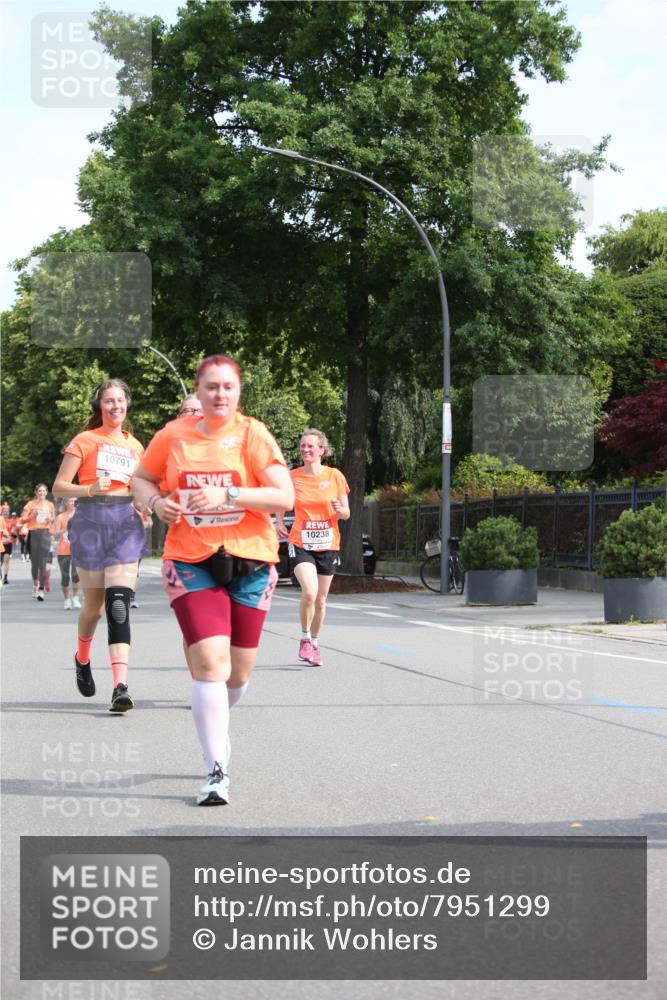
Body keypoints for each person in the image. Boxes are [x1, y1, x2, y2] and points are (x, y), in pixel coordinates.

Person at [132, 354, 294, 806]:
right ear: (198, 393)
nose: (219, 395)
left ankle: (218, 723)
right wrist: (155, 504)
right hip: (190, 559)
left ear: (238, 392)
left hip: (251, 560)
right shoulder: (173, 436)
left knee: (237, 674)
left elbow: (284, 494)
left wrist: (230, 493)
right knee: (208, 663)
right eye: (211, 387)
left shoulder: (253, 434)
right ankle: (215, 769)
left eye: (227, 387)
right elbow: (141, 480)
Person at [52, 379, 146, 712]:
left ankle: (120, 686)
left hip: (124, 525)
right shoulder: (85, 440)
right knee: (92, 608)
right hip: (91, 524)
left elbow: (143, 487)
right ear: (100, 406)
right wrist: (90, 489)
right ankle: (82, 657)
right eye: (109, 401)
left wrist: (147, 505)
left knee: (117, 604)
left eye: (120, 400)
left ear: (127, 405)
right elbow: (60, 486)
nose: (115, 406)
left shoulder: (136, 446)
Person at [276, 429, 350, 667]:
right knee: (309, 591)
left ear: (322, 450)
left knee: (320, 600)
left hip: (328, 544)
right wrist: (279, 521)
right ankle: (305, 638)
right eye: (303, 446)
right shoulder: (293, 476)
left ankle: (315, 644)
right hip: (300, 542)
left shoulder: (335, 476)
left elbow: (346, 514)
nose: (306, 450)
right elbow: (282, 501)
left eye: (311, 446)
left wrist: (340, 509)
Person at [19, 484, 56, 600]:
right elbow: (22, 519)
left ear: (46, 492)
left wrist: (51, 519)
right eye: (39, 491)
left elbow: (53, 518)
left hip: (45, 534)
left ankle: (41, 590)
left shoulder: (50, 505)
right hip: (33, 534)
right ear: (36, 492)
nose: (41, 493)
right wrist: (31, 516)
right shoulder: (30, 504)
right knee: (34, 564)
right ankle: (35, 584)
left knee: (43, 563)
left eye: (44, 491)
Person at [54, 498, 82, 610]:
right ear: (66, 503)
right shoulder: (60, 517)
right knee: (65, 577)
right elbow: (55, 534)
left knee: (76, 576)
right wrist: (66, 527)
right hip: (63, 550)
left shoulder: (81, 516)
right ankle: (67, 600)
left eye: (75, 501)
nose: (73, 503)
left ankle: (75, 598)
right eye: (70, 501)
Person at [1, 503, 15, 583]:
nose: (6, 513)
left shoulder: (11, 521)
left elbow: (13, 533)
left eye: (7, 512)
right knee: (1, 561)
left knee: (6, 560)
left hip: (8, 543)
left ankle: (5, 577)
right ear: (1, 512)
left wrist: (12, 534)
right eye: (4, 511)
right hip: (0, 543)